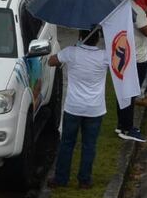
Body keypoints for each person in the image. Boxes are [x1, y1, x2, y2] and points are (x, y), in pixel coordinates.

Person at [47, 28, 109, 188]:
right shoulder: (104, 56)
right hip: (95, 108)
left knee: (67, 143)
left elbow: (51, 61)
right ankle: (84, 180)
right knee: (89, 145)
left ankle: (61, 178)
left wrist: (75, 47)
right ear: (97, 39)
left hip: (74, 107)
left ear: (81, 36)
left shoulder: (71, 52)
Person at [116, 0, 147, 142]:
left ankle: (122, 124)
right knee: (131, 95)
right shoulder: (136, 11)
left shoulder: (120, 8)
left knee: (123, 94)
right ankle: (127, 128)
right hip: (137, 59)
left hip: (122, 56)